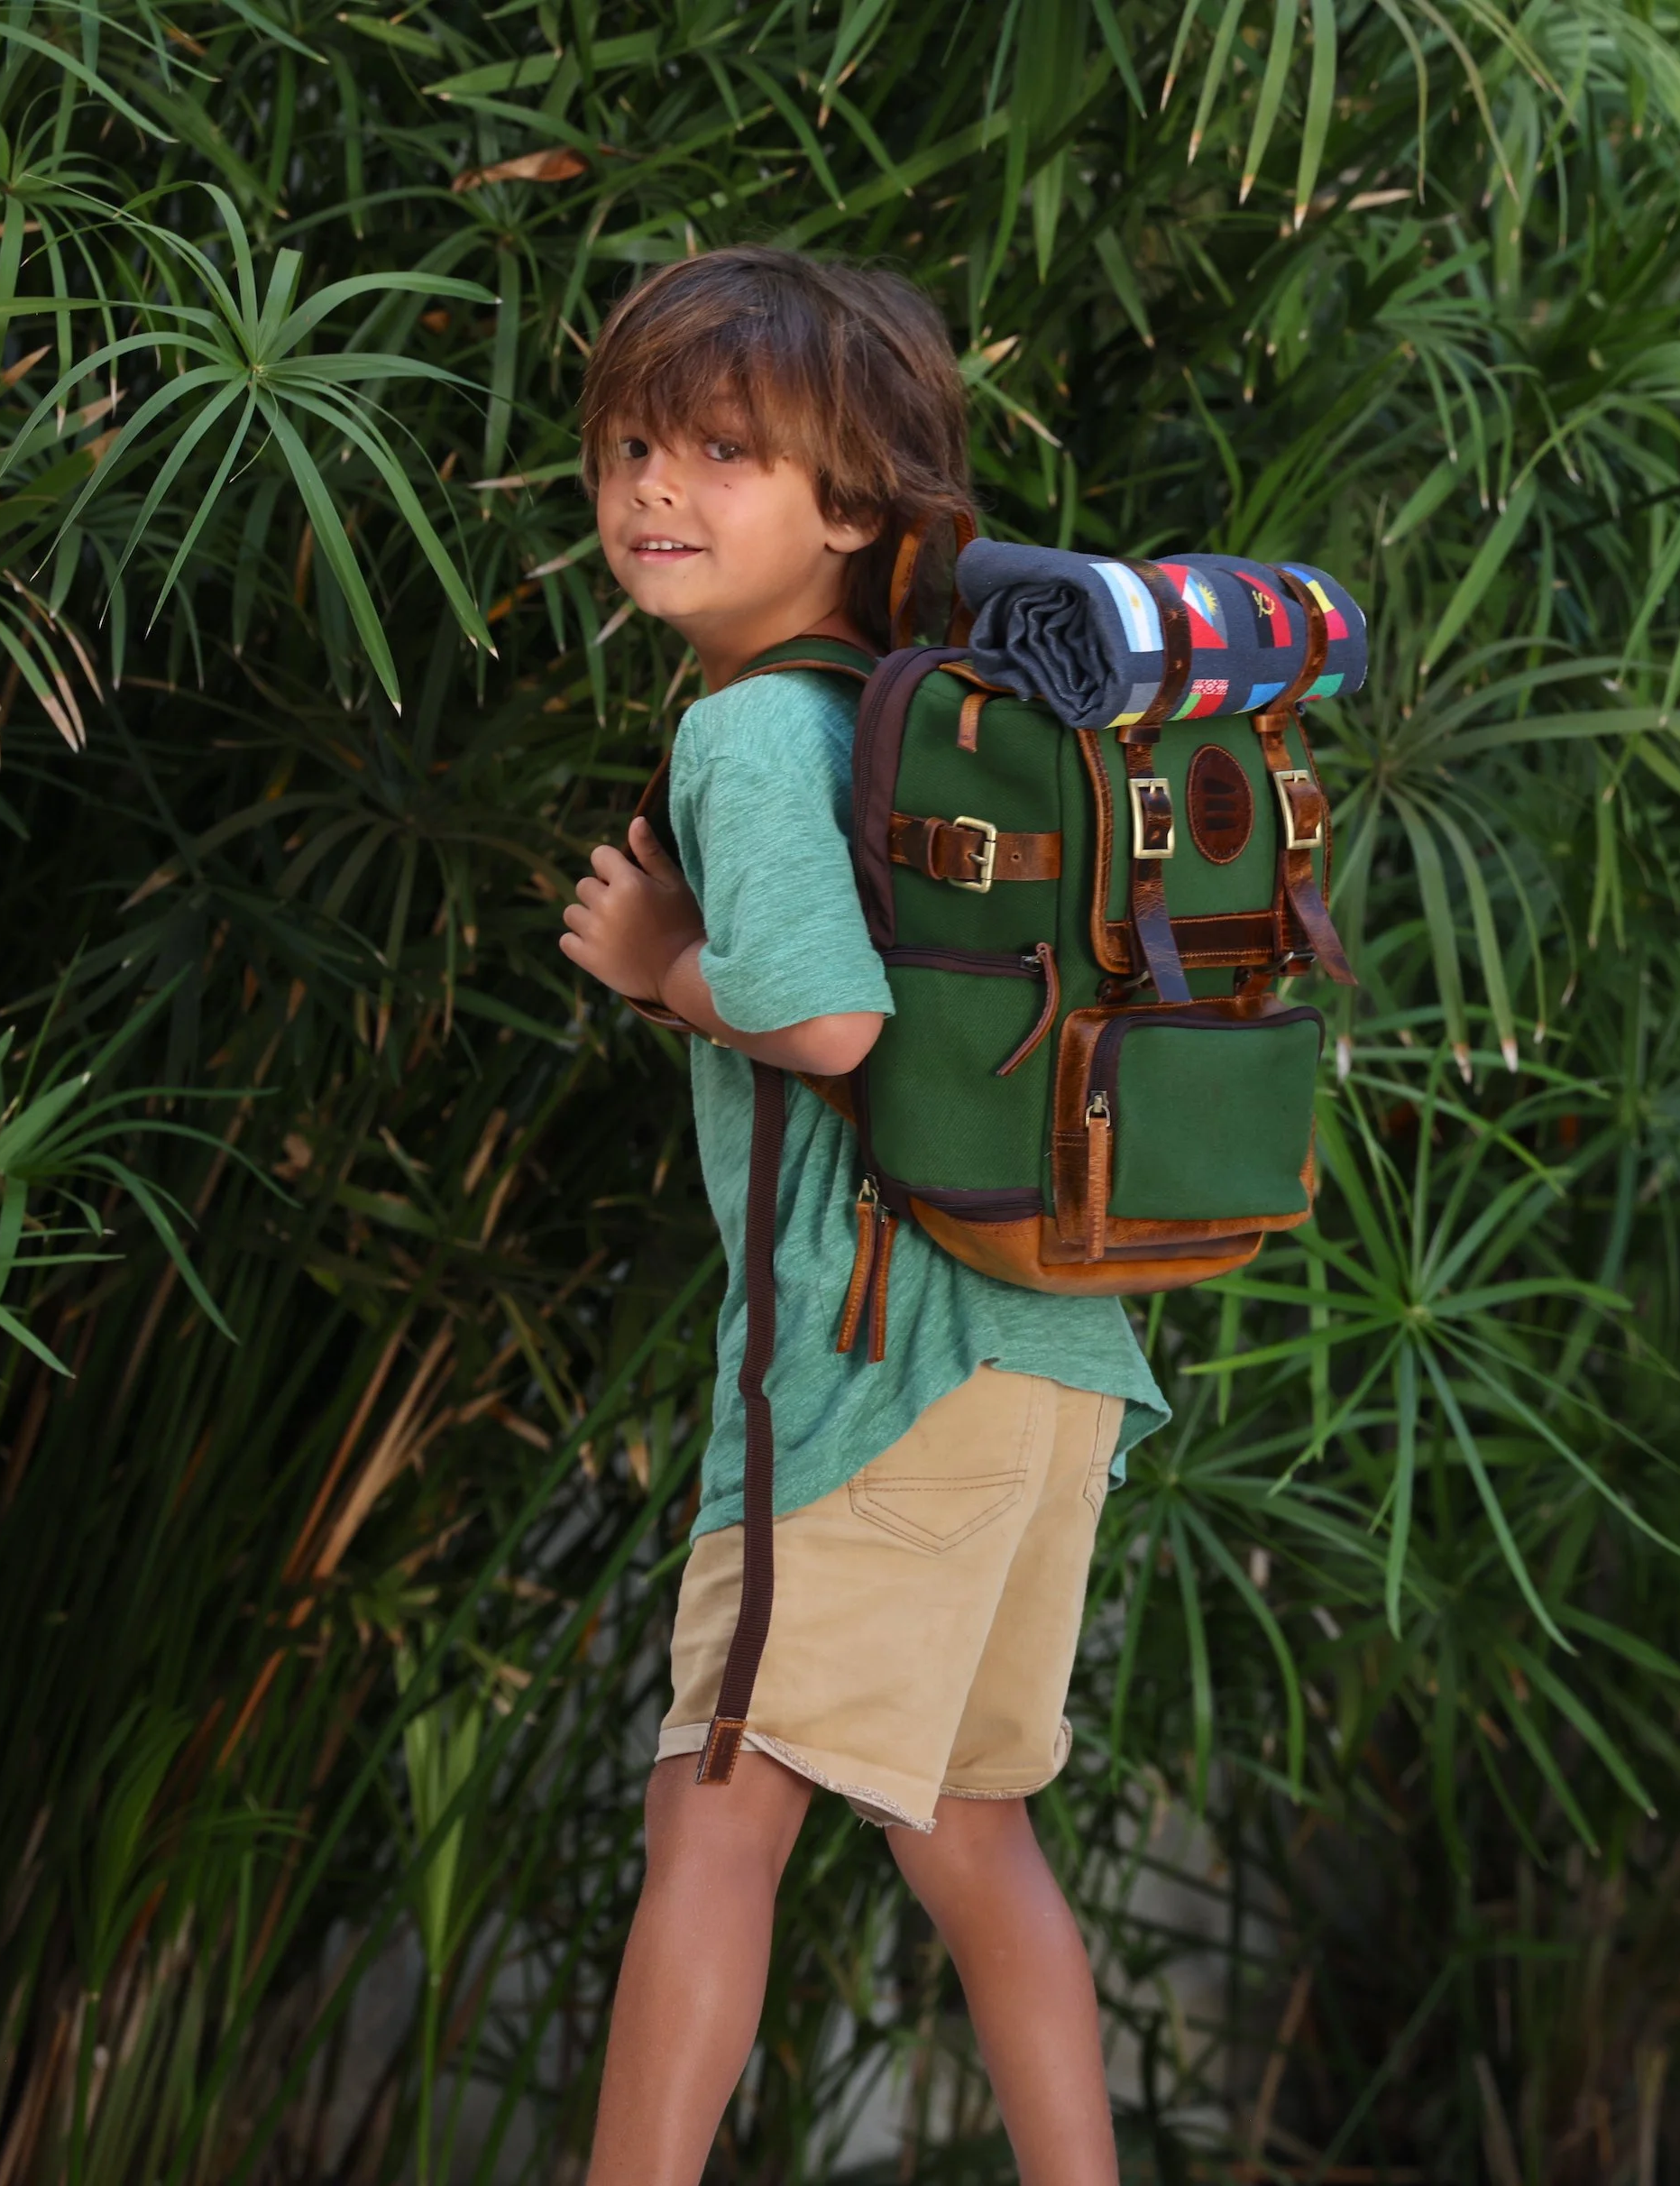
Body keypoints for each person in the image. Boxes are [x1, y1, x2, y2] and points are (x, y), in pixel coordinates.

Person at [557, 245, 1170, 2186]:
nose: (658, 488)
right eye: (632, 445)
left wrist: (661, 965)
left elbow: (827, 1019)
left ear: (850, 508)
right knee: (971, 1833)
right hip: (1050, 1343)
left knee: (714, 1815)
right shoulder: (926, 716)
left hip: (872, 1367)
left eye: (723, 453)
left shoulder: (751, 730)